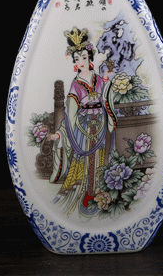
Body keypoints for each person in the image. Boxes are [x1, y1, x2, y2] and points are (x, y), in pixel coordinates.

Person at [47, 27, 118, 216]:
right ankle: (84, 194)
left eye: (84, 58)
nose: (81, 62)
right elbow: (70, 115)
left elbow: (105, 96)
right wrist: (60, 134)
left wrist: (107, 83)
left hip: (99, 125)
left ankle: (97, 193)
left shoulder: (98, 79)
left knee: (99, 159)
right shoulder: (76, 85)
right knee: (84, 160)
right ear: (75, 63)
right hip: (83, 127)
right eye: (77, 59)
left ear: (90, 59)